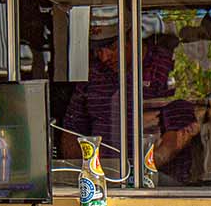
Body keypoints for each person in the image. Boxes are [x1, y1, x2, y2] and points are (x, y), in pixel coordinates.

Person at [61, 26, 200, 184]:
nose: (104, 57)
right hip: (102, 181)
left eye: (112, 47)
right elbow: (72, 131)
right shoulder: (93, 73)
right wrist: (83, 175)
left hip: (159, 181)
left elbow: (176, 139)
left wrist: (137, 175)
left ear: (133, 39)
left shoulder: (163, 67)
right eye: (98, 50)